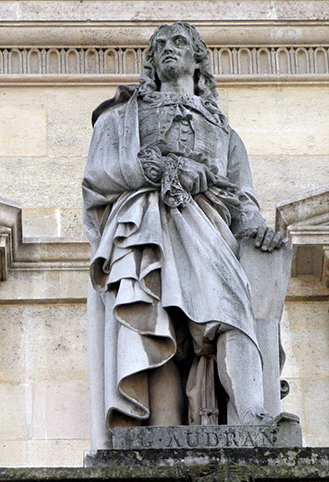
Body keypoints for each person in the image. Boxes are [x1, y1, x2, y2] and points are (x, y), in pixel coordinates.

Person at [82, 21, 285, 449]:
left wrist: (258, 231)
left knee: (231, 311)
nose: (168, 51)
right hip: (144, 228)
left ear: (198, 61)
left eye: (179, 43)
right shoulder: (124, 117)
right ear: (151, 62)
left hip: (209, 228)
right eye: (159, 47)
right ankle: (159, 433)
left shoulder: (226, 133)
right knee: (156, 328)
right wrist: (153, 171)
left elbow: (242, 198)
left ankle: (250, 410)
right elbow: (97, 175)